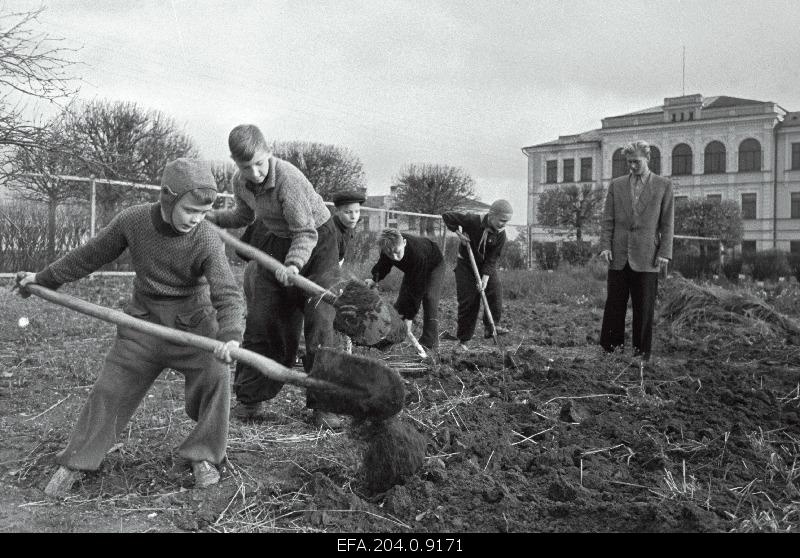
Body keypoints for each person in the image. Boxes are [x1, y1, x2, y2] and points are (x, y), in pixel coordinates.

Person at [14, 158, 245, 497]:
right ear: (168, 198)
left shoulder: (207, 237)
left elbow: (227, 293)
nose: (197, 219)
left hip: (194, 325)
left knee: (217, 375)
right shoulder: (133, 221)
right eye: (190, 210)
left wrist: (230, 337)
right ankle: (78, 460)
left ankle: (205, 454)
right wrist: (45, 279)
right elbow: (89, 255)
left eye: (203, 212)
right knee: (110, 389)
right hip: (142, 323)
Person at [206, 124, 342, 428]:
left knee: (320, 317)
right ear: (235, 163)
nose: (254, 173)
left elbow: (305, 233)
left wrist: (293, 266)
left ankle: (325, 405)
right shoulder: (241, 182)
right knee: (263, 316)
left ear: (268, 153)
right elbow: (245, 215)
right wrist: (214, 218)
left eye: (259, 163)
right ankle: (250, 398)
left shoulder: (288, 180)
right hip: (278, 241)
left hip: (318, 242)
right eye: (245, 167)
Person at [599, 140, 674, 362]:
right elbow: (608, 219)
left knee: (644, 308)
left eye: (636, 162)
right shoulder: (616, 185)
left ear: (648, 159)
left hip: (647, 256)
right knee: (614, 305)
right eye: (629, 162)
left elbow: (667, 223)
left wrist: (664, 252)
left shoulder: (663, 185)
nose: (632, 166)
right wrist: (605, 246)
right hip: (618, 255)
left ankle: (642, 354)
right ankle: (611, 351)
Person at [441, 200, 512, 351]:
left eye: (507, 222)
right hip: (466, 265)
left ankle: (491, 327)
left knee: (495, 291)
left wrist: (485, 279)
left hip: (485, 266)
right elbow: (447, 216)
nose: (503, 224)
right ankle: (464, 341)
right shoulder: (472, 220)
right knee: (469, 301)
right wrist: (459, 233)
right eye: (502, 220)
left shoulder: (501, 235)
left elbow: (492, 259)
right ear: (491, 215)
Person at [365, 229, 445, 353]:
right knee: (402, 303)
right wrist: (374, 279)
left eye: (397, 252)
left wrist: (409, 317)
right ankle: (389, 340)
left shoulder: (418, 253)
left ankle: (430, 343)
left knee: (429, 298)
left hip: (433, 265)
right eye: (390, 254)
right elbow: (383, 265)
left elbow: (417, 290)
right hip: (413, 269)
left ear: (405, 243)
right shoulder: (388, 247)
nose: (395, 258)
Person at [331, 190, 366, 267]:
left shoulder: (347, 224)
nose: (354, 217)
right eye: (347, 212)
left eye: (357, 211)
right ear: (336, 211)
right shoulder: (331, 233)